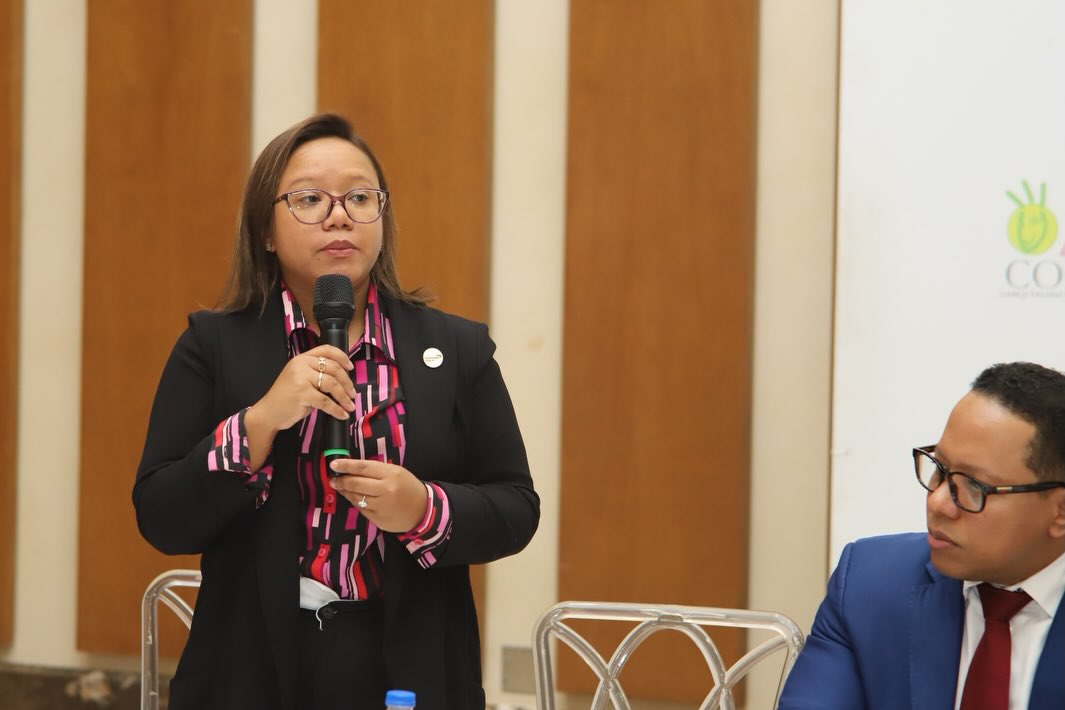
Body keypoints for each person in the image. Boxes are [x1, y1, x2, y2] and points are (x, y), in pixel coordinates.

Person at [133, 113, 539, 710]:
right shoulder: (212, 346)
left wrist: (423, 508)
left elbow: (516, 507)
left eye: (359, 197)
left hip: (411, 662)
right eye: (309, 199)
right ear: (266, 231)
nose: (339, 215)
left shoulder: (456, 349)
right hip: (250, 664)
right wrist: (259, 423)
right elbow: (161, 516)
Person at [778, 362, 1064, 709]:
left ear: (1060, 512)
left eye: (974, 486)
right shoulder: (870, 588)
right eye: (939, 469)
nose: (938, 502)